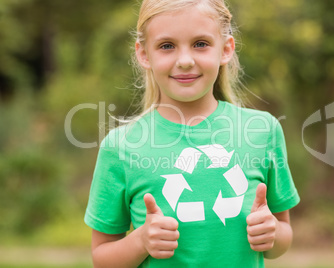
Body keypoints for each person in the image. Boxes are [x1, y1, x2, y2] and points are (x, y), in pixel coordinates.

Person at [84, 0, 300, 267]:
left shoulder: (261, 131)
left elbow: (283, 233)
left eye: (200, 44)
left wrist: (272, 234)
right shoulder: (119, 147)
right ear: (143, 54)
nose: (185, 61)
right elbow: (101, 257)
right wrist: (140, 241)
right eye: (166, 46)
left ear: (226, 49)